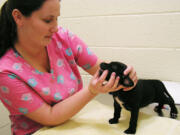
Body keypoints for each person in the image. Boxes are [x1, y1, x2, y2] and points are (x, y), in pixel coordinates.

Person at [0, 0, 138, 134]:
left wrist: (123, 77)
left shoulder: (62, 37)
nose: (55, 28)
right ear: (18, 17)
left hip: (73, 121)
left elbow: (100, 70)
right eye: (48, 20)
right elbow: (50, 116)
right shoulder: (5, 72)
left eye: (56, 19)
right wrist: (91, 91)